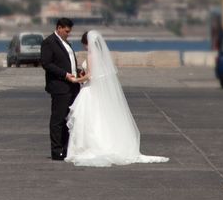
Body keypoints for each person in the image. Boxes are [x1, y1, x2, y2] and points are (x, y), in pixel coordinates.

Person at [65, 30, 169, 167]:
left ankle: (87, 147)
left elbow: (90, 76)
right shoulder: (102, 56)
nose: (85, 47)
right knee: (100, 118)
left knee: (88, 119)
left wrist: (76, 80)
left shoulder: (91, 55)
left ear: (87, 43)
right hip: (98, 91)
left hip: (90, 90)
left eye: (84, 44)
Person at [41, 18, 87, 161]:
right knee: (58, 120)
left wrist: (78, 71)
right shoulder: (49, 42)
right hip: (60, 87)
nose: (68, 34)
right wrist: (65, 75)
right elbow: (46, 63)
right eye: (66, 31)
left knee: (69, 119)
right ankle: (57, 151)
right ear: (59, 28)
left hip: (72, 86)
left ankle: (67, 148)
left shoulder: (65, 43)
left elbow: (68, 63)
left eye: (69, 32)